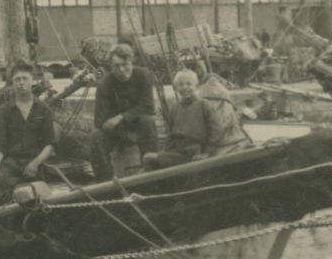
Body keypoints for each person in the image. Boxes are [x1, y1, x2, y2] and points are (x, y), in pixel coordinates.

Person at [142, 69, 250, 170]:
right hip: (177, 150)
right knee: (149, 164)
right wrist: (164, 150)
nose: (184, 87)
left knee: (147, 158)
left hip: (192, 151)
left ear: (196, 86)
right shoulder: (175, 108)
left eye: (188, 84)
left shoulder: (204, 105)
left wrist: (207, 153)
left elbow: (217, 131)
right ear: (175, 88)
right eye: (180, 84)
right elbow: (171, 134)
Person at [0, 61, 57, 196]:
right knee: (2, 180)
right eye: (17, 79)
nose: (21, 82)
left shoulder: (44, 110)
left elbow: (50, 144)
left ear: (32, 81)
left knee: (36, 187)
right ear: (12, 83)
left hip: (34, 161)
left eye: (25, 78)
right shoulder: (4, 110)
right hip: (11, 163)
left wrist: (35, 163)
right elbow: (0, 145)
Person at [91, 44, 158, 181]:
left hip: (139, 126)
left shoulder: (144, 75)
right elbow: (99, 120)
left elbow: (148, 107)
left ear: (132, 62)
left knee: (148, 121)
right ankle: (104, 181)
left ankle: (151, 170)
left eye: (125, 64)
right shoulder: (104, 84)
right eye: (116, 66)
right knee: (96, 135)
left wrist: (121, 117)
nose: (121, 70)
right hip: (116, 131)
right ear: (110, 66)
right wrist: (117, 124)